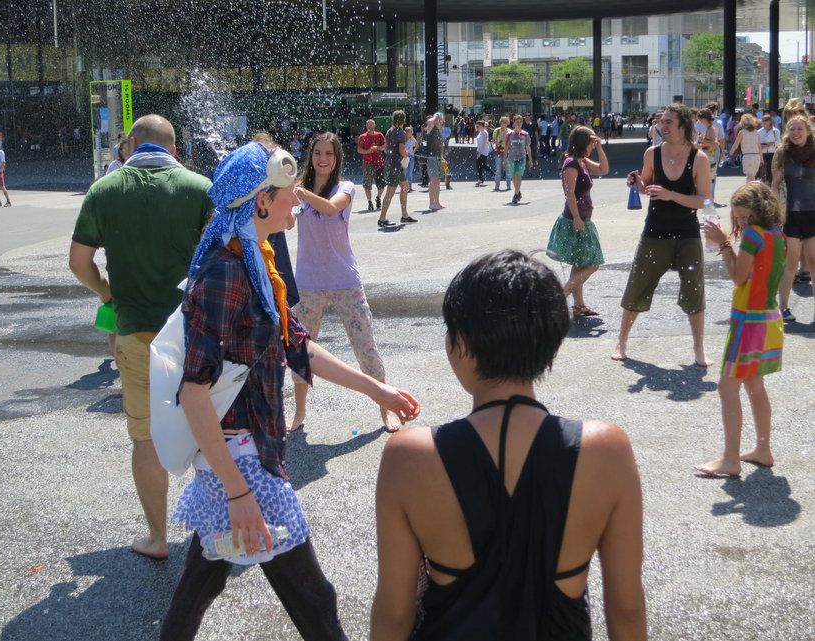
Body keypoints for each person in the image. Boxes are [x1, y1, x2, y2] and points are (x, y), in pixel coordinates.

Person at [160, 140, 418, 641]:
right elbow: (194, 393)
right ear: (260, 200)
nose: (296, 201)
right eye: (286, 193)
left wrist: (376, 391)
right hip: (242, 460)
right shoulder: (225, 271)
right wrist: (237, 492)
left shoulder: (257, 258)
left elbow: (296, 347)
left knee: (200, 586)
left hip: (247, 453)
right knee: (314, 597)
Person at [370, 249, 646, 641]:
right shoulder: (607, 451)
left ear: (460, 343)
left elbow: (394, 614)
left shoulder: (410, 457)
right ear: (552, 340)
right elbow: (627, 610)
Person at [69, 114, 214, 560]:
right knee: (212, 428)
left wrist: (107, 293)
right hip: (192, 331)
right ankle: (214, 534)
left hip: (135, 331)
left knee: (145, 436)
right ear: (173, 148)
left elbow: (79, 262)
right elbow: (220, 257)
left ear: (130, 144)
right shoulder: (200, 187)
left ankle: (157, 538)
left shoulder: (105, 189)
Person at [287, 132, 405, 432]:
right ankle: (299, 413)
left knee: (366, 347)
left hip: (344, 280)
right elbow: (285, 222)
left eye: (329, 153)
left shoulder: (345, 188)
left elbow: (330, 208)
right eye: (317, 153)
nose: (322, 158)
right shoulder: (298, 190)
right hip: (308, 283)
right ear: (310, 156)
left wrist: (298, 192)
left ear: (337, 158)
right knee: (301, 350)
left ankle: (386, 409)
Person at [694, 183, 786, 477]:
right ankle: (763, 449)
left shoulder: (752, 236)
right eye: (738, 218)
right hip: (769, 319)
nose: (743, 223)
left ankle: (731, 459)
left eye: (746, 217)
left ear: (760, 211)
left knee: (727, 386)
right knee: (754, 386)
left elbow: (737, 276)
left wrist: (723, 243)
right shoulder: (777, 234)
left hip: (749, 321)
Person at [613, 104, 713, 366]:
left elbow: (705, 201)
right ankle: (621, 341)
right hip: (655, 231)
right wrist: (637, 182)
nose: (662, 126)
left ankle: (699, 349)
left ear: (683, 126)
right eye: (661, 121)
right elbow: (647, 186)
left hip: (687, 234)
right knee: (637, 285)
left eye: (669, 122)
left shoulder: (698, 158)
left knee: (695, 290)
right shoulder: (652, 153)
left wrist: (672, 196)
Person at [546, 126, 610, 317]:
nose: (593, 144)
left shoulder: (582, 161)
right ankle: (561, 297)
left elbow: (604, 169)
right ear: (584, 143)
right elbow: (569, 193)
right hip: (575, 219)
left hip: (583, 218)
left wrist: (599, 148)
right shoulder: (571, 164)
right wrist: (576, 218)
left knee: (580, 262)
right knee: (593, 264)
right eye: (592, 142)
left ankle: (579, 306)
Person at [771, 115, 815, 323]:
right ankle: (784, 307)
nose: (796, 133)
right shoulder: (783, 153)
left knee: (814, 261)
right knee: (791, 261)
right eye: (792, 129)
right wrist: (774, 211)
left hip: (812, 213)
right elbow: (775, 183)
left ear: (808, 131)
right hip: (790, 214)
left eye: (800, 129)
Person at [379, 110, 416, 226]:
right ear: (403, 120)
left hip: (392, 164)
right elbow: (401, 150)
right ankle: (382, 218)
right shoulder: (401, 133)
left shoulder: (390, 131)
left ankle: (404, 215)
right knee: (390, 192)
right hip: (396, 166)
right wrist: (407, 154)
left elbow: (386, 148)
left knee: (404, 187)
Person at [357, 119, 386, 212]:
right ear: (366, 126)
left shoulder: (379, 135)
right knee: (367, 184)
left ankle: (378, 197)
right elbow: (359, 150)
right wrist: (368, 151)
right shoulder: (362, 137)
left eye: (372, 125)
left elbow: (385, 146)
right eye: (369, 125)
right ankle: (369, 202)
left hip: (379, 162)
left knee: (382, 184)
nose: (370, 127)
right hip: (367, 163)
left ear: (374, 126)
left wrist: (378, 148)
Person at [728, 113, 762, 184]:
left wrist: (731, 152)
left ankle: (751, 192)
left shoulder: (742, 132)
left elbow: (735, 145)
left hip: (747, 156)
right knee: (752, 176)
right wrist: (762, 158)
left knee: (749, 177)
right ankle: (751, 191)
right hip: (757, 156)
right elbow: (759, 146)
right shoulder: (756, 132)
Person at [505, 115, 531, 205]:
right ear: (513, 123)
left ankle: (515, 195)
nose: (519, 124)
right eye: (517, 122)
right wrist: (505, 159)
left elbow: (528, 147)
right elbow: (506, 148)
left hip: (521, 158)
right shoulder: (509, 135)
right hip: (512, 158)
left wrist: (530, 159)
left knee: (518, 175)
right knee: (513, 176)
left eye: (520, 122)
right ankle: (518, 192)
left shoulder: (525, 134)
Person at [424, 113, 446, 211]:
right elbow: (429, 122)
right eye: (439, 120)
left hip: (437, 158)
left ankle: (437, 202)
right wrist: (436, 116)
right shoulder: (430, 128)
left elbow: (441, 145)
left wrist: (441, 157)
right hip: (432, 158)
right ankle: (431, 203)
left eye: (442, 120)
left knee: (437, 181)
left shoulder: (438, 131)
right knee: (433, 180)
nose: (441, 121)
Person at [758, 114, 780, 186]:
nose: (764, 122)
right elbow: (757, 142)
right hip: (763, 152)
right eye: (763, 120)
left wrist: (771, 144)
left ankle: (770, 183)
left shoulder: (775, 131)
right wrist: (763, 145)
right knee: (762, 168)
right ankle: (763, 183)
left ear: (770, 121)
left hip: (772, 152)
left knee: (771, 168)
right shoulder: (759, 132)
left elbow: (778, 142)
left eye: (766, 120)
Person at [491, 115, 510, 192]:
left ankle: (508, 185)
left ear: (507, 123)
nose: (503, 124)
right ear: (500, 122)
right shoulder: (496, 130)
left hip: (507, 151)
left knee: (508, 169)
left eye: (505, 122)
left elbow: (511, 142)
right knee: (498, 169)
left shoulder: (510, 131)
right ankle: (497, 186)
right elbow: (493, 140)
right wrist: (496, 142)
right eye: (502, 122)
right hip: (498, 151)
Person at [474, 120, 494, 186]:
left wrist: (479, 152)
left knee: (482, 165)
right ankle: (482, 179)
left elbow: (483, 143)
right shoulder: (480, 131)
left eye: (478, 126)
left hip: (483, 151)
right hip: (479, 150)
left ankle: (492, 174)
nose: (477, 127)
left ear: (482, 126)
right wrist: (478, 151)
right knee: (479, 165)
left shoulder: (485, 133)